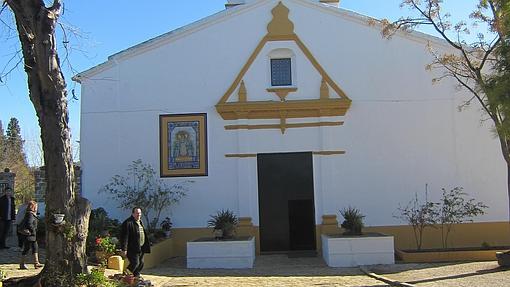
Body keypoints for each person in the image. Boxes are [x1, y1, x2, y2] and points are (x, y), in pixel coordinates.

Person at [120, 207, 151, 278]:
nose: (139, 215)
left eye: (140, 213)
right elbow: (124, 237)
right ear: (133, 214)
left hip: (141, 248)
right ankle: (125, 275)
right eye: (137, 213)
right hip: (132, 248)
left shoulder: (140, 222)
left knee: (141, 263)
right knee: (135, 263)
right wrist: (124, 249)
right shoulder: (128, 223)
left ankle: (136, 276)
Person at [19, 201, 42, 269]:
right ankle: (26, 264)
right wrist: (33, 231)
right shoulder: (30, 214)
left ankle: (35, 263)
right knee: (29, 248)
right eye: (36, 206)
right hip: (29, 234)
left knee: (33, 247)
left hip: (29, 234)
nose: (37, 208)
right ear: (33, 207)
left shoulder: (30, 214)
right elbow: (29, 224)